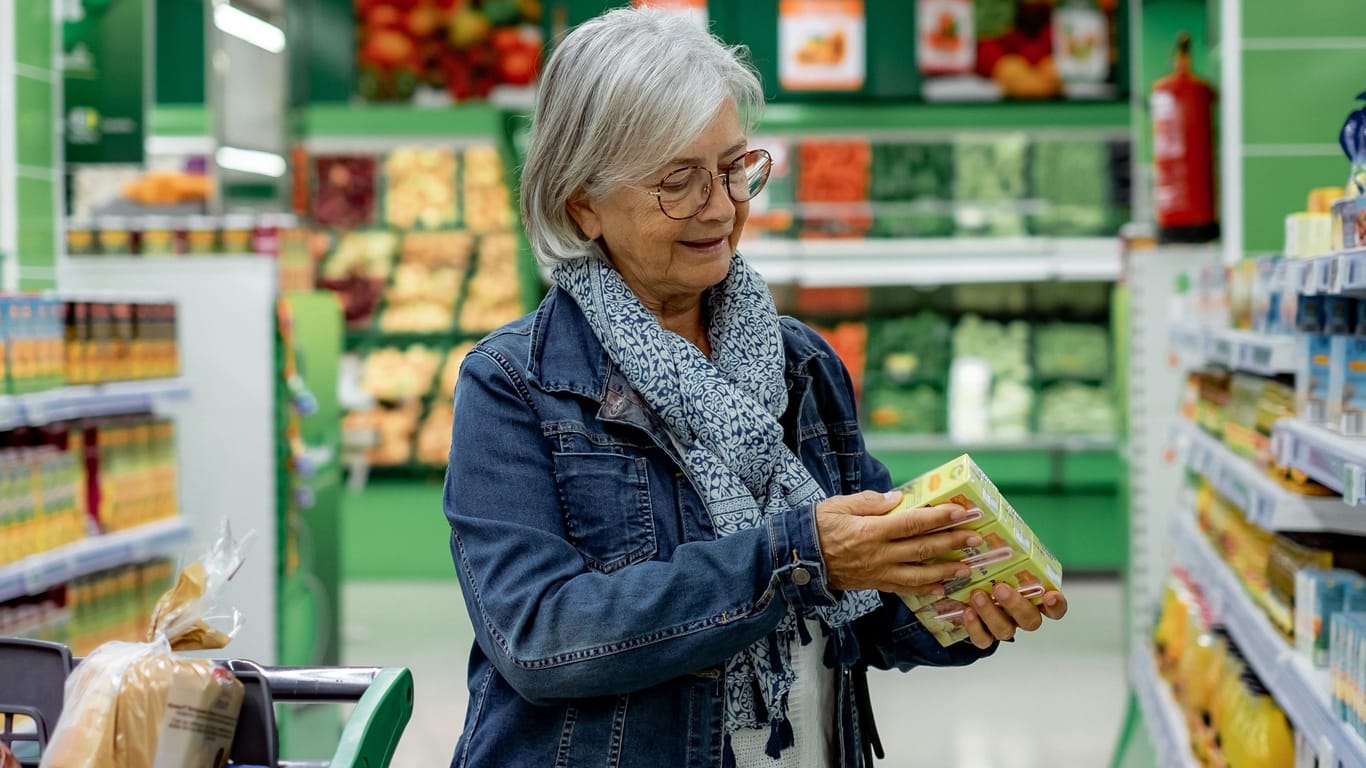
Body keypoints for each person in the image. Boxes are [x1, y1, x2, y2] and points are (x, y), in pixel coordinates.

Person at [442, 8, 1068, 767]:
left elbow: (860, 613)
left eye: (734, 168)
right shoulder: (519, 386)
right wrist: (799, 556)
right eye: (678, 181)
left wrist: (959, 602)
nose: (722, 205)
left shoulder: (801, 363)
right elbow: (542, 636)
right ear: (583, 204)